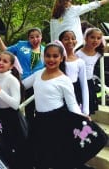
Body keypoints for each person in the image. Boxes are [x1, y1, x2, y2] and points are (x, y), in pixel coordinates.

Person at [22, 41, 103, 169]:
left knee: (59, 158)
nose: (51, 59)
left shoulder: (64, 80)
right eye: (48, 56)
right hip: (39, 121)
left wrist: (82, 116)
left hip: (57, 123)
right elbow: (22, 85)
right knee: (40, 157)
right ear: (44, 57)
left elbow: (72, 104)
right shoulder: (38, 74)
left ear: (61, 58)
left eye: (55, 56)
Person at [0, 28, 45, 127]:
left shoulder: (44, 50)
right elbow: (7, 51)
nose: (35, 39)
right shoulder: (21, 45)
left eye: (37, 36)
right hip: (24, 82)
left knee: (37, 109)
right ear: (28, 39)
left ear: (41, 37)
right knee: (28, 111)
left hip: (38, 85)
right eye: (31, 37)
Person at [0, 50, 32, 169]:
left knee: (17, 148)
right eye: (0, 60)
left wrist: (0, 92)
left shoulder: (12, 80)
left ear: (11, 66)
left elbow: (15, 104)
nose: (1, 63)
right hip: (1, 116)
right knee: (6, 146)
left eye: (5, 61)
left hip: (12, 119)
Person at [59, 30, 90, 116]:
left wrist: (85, 110)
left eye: (73, 38)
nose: (70, 41)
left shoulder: (80, 62)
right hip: (59, 96)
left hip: (75, 96)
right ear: (60, 42)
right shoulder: (56, 61)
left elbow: (84, 85)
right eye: (66, 39)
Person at [76, 28, 105, 115]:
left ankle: (86, 125)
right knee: (79, 106)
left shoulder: (98, 53)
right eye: (92, 37)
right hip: (78, 83)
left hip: (89, 83)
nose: (95, 40)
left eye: (98, 38)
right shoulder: (78, 54)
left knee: (88, 107)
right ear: (86, 38)